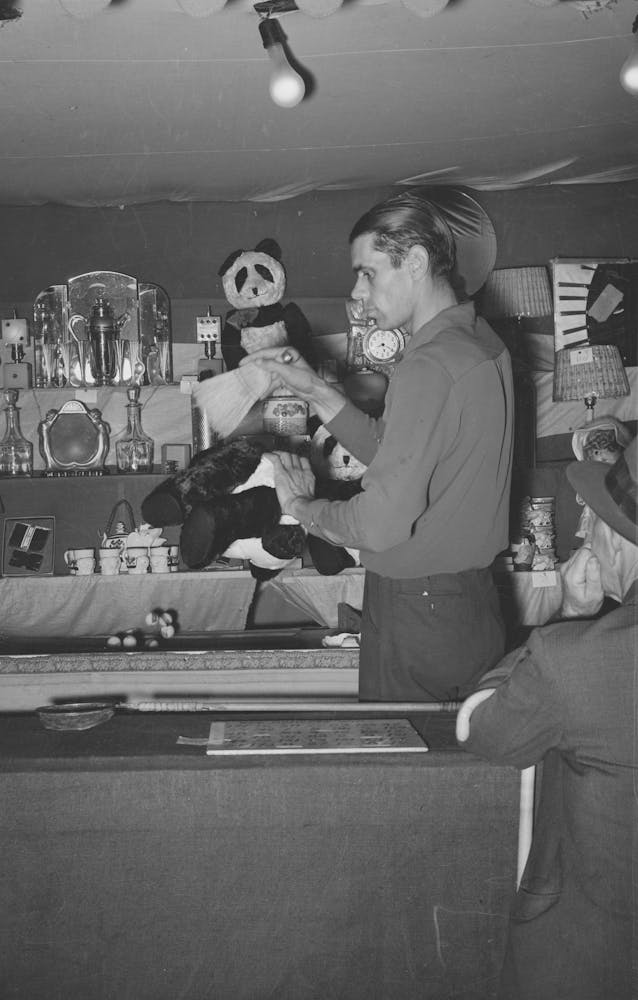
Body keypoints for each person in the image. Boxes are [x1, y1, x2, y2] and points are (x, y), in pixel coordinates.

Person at [241, 192, 513, 701]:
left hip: (419, 608)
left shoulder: (428, 364)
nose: (357, 291)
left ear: (414, 262)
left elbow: (382, 525)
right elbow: (397, 450)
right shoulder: (480, 341)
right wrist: (316, 390)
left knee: (396, 771)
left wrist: (300, 507)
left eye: (368, 272)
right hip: (469, 601)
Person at [455, 436, 638, 1000]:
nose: (584, 532)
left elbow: (479, 729)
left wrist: (566, 617)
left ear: (626, 544)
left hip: (590, 957)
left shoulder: (578, 658)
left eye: (598, 520)